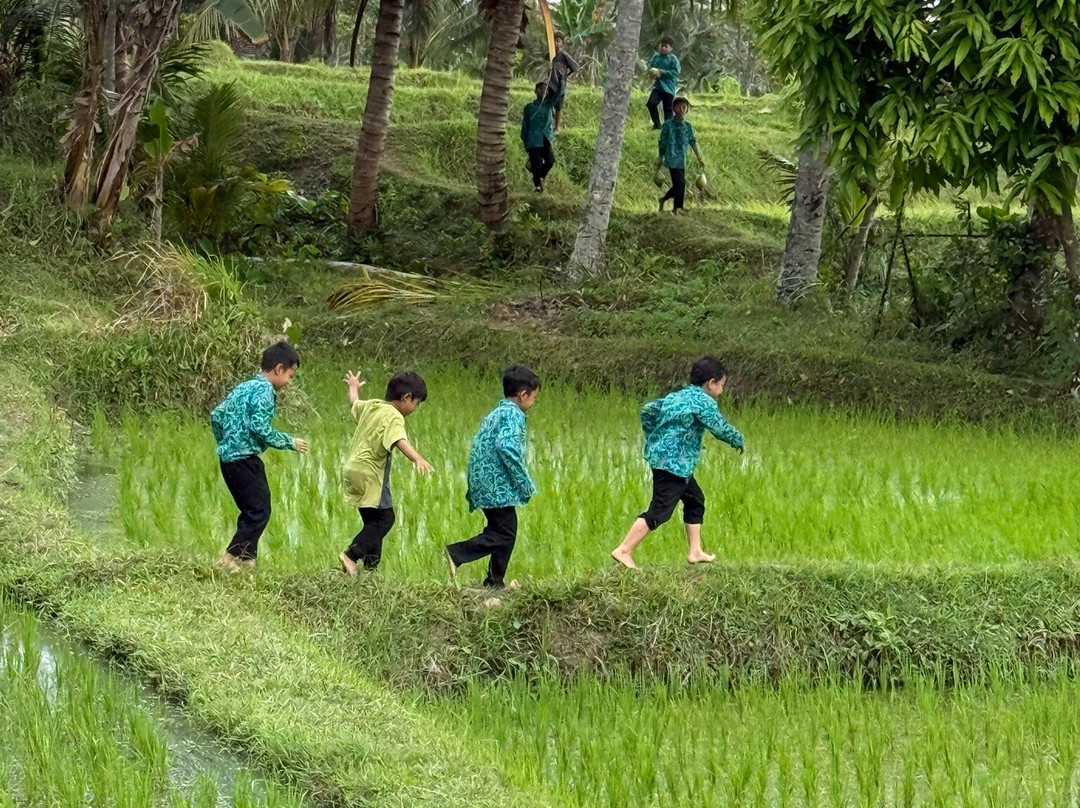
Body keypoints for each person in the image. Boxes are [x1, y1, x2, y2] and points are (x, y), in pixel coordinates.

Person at [611, 356, 743, 570]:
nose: (722, 390)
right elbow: (719, 428)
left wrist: (654, 436)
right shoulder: (704, 402)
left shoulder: (677, 396)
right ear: (711, 383)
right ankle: (624, 550)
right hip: (674, 465)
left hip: (669, 462)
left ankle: (695, 551)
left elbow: (648, 410)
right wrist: (738, 440)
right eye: (721, 385)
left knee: (694, 500)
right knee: (660, 511)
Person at [211, 340, 310, 572]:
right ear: (278, 369)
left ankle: (246, 561)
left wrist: (226, 442)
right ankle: (228, 558)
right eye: (290, 375)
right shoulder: (265, 391)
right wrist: (290, 442)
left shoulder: (244, 387)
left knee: (251, 510)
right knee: (259, 511)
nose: (289, 381)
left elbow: (216, 415)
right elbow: (260, 428)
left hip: (228, 460)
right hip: (245, 460)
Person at [445, 365, 540, 590]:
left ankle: (494, 582)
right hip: (496, 485)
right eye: (534, 398)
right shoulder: (514, 414)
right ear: (523, 394)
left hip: (483, 481)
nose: (534, 403)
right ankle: (456, 553)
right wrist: (524, 482)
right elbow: (506, 447)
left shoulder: (497, 412)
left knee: (503, 531)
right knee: (505, 533)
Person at [339, 371, 433, 575]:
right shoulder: (394, 416)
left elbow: (354, 403)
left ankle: (371, 570)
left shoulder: (373, 406)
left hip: (352, 469)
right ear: (406, 397)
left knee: (373, 522)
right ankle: (351, 555)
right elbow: (400, 440)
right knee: (385, 520)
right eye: (416, 403)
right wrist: (417, 458)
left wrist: (353, 387)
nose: (415, 408)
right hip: (371, 473)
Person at [656, 96, 704, 215]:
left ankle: (664, 200)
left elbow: (693, 142)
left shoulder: (688, 126)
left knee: (679, 184)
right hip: (671, 157)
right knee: (680, 184)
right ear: (673, 108)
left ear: (687, 109)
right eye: (679, 107)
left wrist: (699, 158)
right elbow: (662, 142)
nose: (681, 109)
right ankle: (677, 208)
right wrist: (660, 157)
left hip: (682, 159)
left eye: (684, 107)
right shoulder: (668, 125)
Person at [522, 81, 556, 193]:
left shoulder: (549, 105)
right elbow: (525, 126)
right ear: (535, 91)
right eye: (541, 89)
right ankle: (537, 187)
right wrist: (525, 142)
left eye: (545, 90)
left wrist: (561, 80)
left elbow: (559, 94)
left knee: (550, 160)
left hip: (545, 138)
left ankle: (540, 175)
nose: (543, 91)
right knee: (536, 164)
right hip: (533, 139)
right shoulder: (529, 108)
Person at [646, 36, 681, 129]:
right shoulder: (656, 57)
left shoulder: (673, 59)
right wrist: (651, 73)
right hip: (658, 88)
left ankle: (668, 128)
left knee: (667, 110)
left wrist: (662, 72)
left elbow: (676, 72)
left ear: (671, 48)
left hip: (668, 88)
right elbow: (650, 67)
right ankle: (657, 124)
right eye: (662, 46)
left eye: (666, 46)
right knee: (651, 104)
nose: (663, 48)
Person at [548, 31, 579, 132]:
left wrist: (565, 76)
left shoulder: (563, 55)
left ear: (561, 43)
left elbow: (575, 67)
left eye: (558, 41)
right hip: (549, 84)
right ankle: (548, 125)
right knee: (548, 105)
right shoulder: (549, 54)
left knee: (558, 107)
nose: (556, 43)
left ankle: (556, 127)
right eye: (554, 41)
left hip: (560, 85)